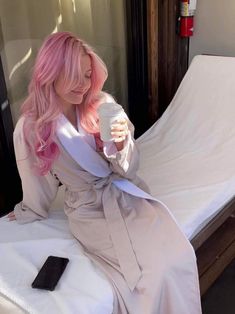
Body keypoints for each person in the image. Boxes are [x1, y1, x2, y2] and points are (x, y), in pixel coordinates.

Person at [8, 32, 202, 314]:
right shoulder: (31, 126)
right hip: (87, 210)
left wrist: (123, 145)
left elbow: (129, 168)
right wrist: (31, 209)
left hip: (124, 193)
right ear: (51, 72)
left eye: (87, 75)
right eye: (74, 75)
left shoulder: (103, 106)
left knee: (177, 255)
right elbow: (35, 179)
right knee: (146, 275)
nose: (83, 85)